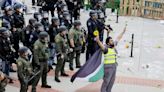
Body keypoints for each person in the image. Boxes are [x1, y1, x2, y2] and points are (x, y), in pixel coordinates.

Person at [95, 25, 127, 92]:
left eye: (112, 40)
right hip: (108, 67)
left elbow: (118, 38)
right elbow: (101, 45)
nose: (113, 41)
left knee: (112, 81)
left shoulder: (113, 46)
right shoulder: (106, 48)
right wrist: (98, 40)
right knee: (106, 81)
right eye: (111, 41)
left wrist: (123, 32)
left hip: (114, 66)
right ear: (108, 43)